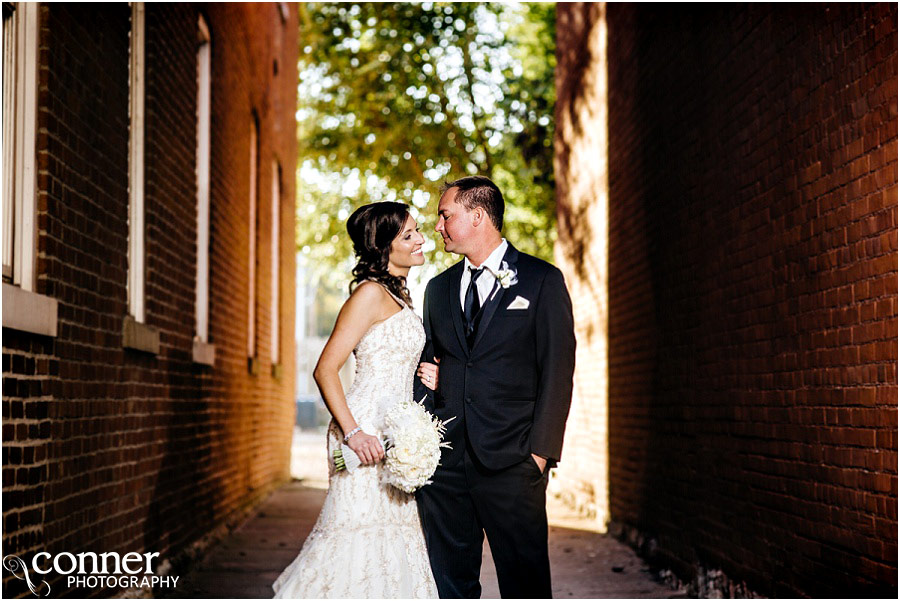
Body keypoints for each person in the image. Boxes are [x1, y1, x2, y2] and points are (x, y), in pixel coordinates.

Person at [414, 175, 576, 599]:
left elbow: (558, 371)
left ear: (478, 215)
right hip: (447, 469)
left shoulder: (542, 281)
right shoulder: (437, 289)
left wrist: (539, 456)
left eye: (445, 216)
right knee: (450, 585)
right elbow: (428, 363)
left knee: (524, 586)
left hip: (513, 462)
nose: (438, 226)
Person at [272, 202, 438, 598]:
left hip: (395, 432)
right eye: (408, 235)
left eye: (417, 231)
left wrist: (425, 372)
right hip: (364, 432)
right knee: (354, 534)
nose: (420, 240)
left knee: (391, 540)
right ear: (383, 247)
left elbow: (390, 357)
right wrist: (354, 432)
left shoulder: (399, 296)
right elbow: (325, 369)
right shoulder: (369, 294)